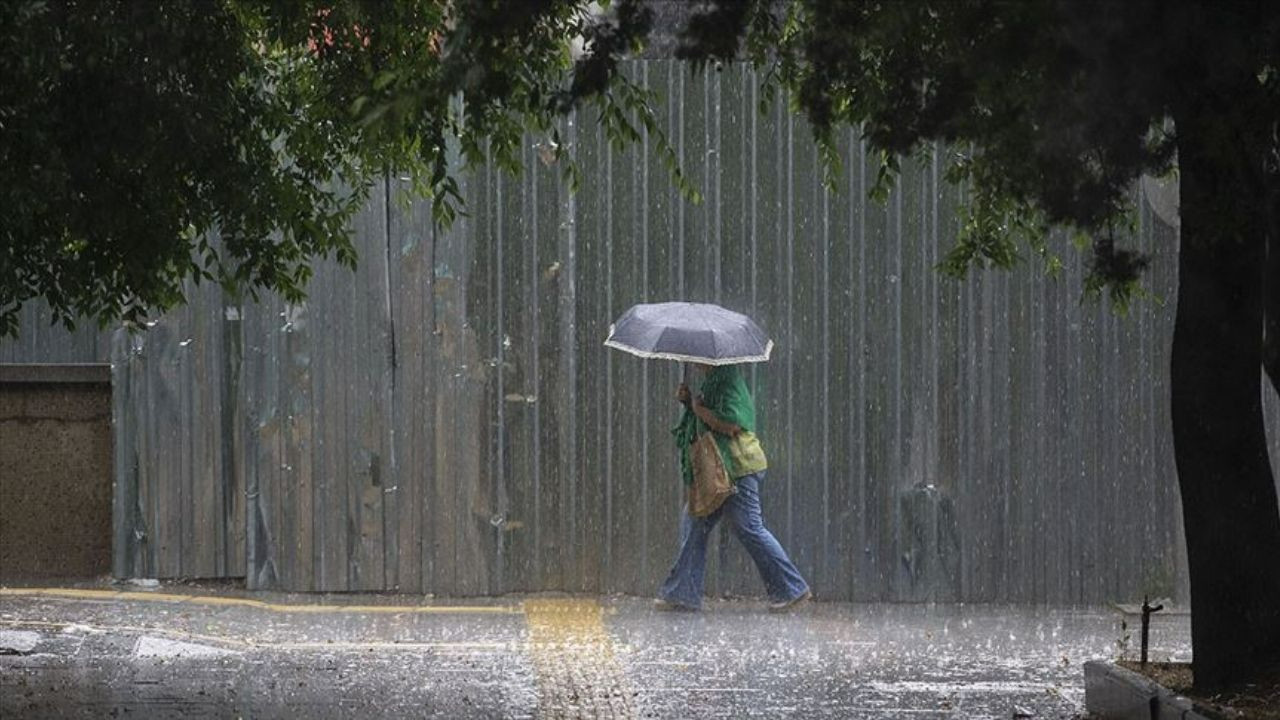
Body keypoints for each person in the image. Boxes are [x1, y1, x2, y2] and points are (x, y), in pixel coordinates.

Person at [656, 363, 811, 612]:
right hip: (722, 470)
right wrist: (688, 403)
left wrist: (698, 408)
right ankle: (682, 593)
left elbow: (732, 425)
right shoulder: (713, 381)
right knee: (695, 523)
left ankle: (791, 589)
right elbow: (707, 420)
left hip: (738, 467)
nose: (695, 362)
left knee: (749, 527)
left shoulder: (727, 380)